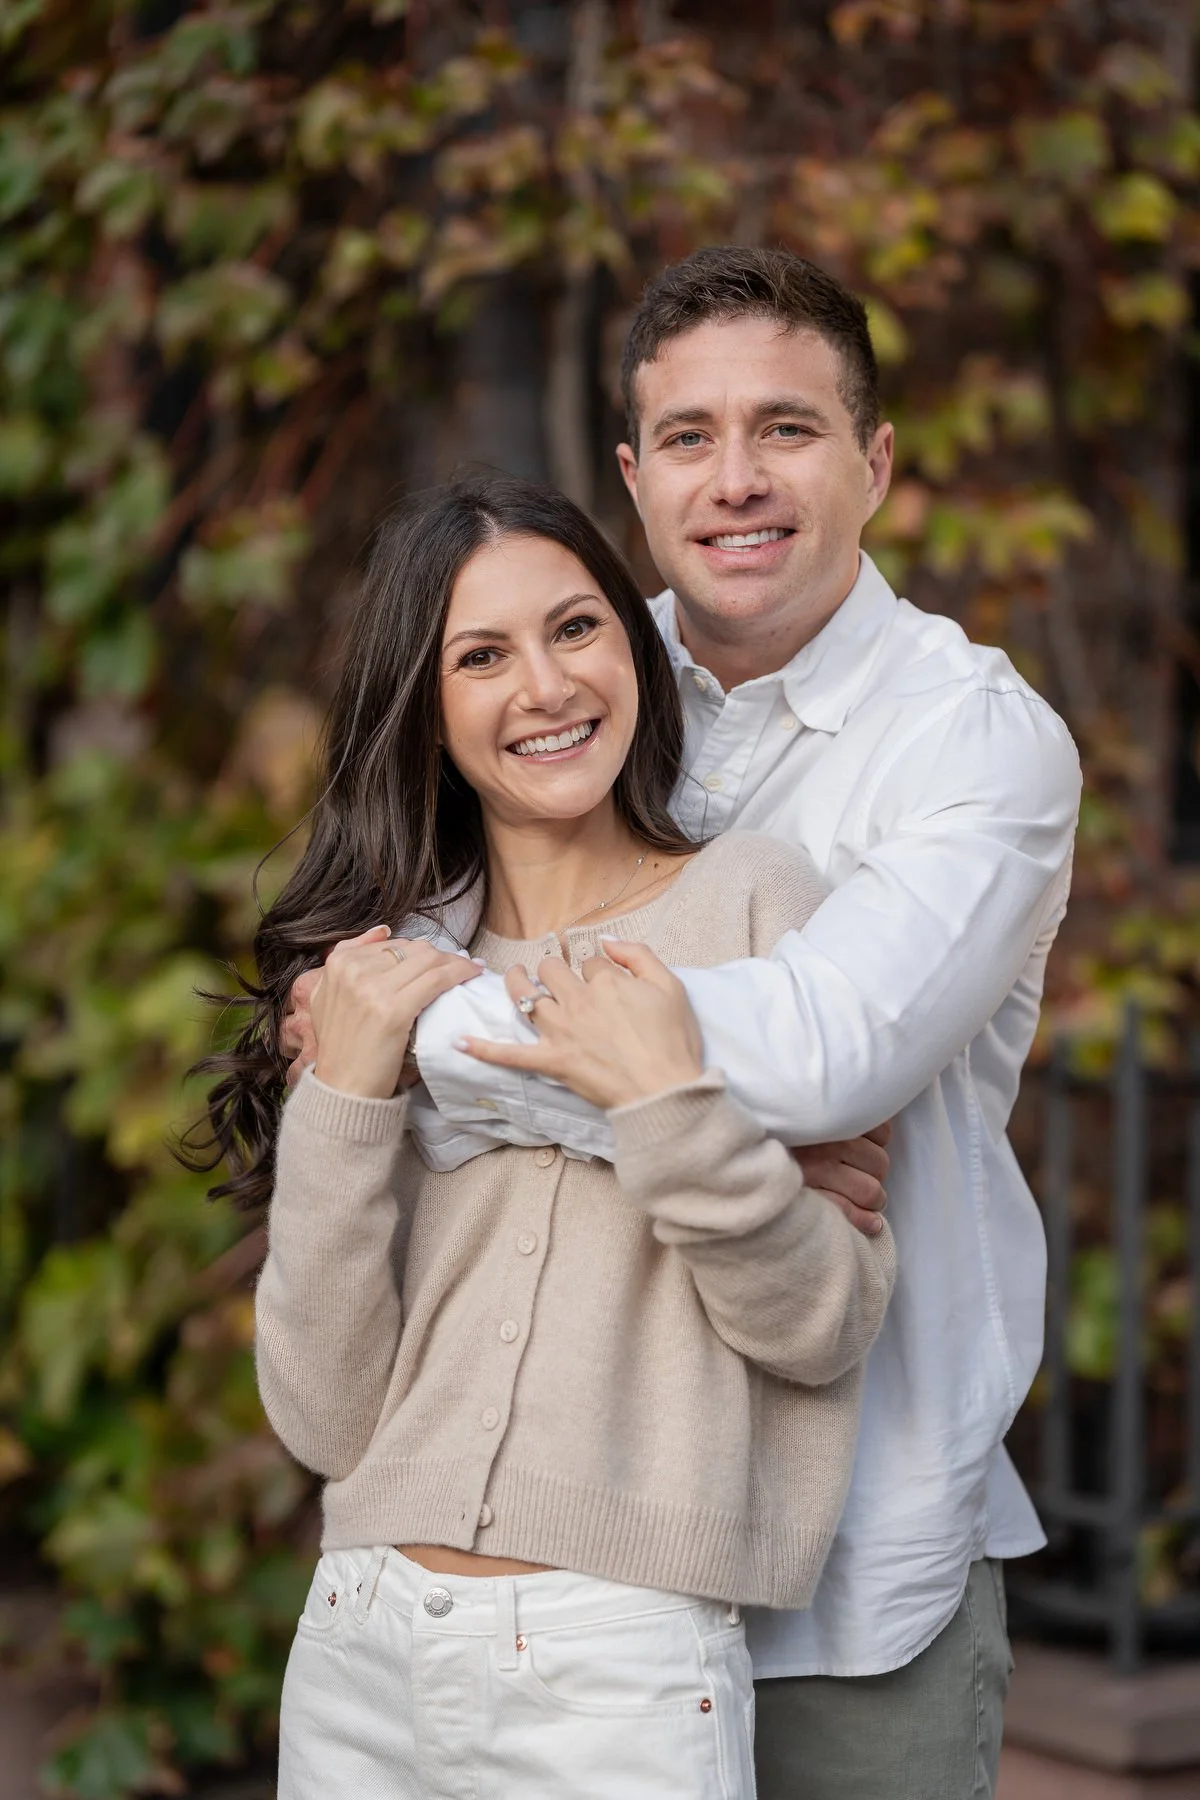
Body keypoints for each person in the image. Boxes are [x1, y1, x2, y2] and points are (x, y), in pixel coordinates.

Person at [286, 247, 1082, 1799]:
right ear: (636, 476)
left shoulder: (975, 742)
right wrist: (732, 1142)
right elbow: (348, 1008)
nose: (739, 480)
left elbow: (822, 1050)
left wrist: (432, 1052)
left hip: (860, 1553)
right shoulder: (566, 668)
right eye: (692, 439)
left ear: (877, 463)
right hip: (511, 1573)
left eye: (787, 428)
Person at [206, 471, 895, 1799]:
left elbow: (821, 1322)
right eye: (481, 655)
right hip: (359, 1642)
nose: (546, 686)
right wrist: (348, 1100)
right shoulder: (388, 972)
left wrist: (661, 1104)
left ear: (633, 647)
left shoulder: (759, 908)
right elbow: (324, 1415)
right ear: (429, 706)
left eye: (576, 628)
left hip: (620, 1667)